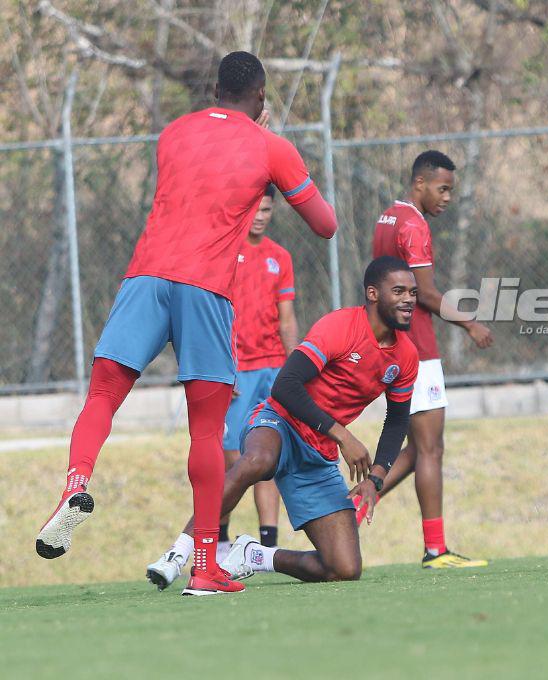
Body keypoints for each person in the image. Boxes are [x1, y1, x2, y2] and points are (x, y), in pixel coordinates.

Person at [36, 51, 338, 597]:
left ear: (215, 90)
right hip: (205, 289)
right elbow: (326, 224)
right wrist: (269, 146)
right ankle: (204, 565)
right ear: (261, 96)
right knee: (205, 431)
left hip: (145, 278)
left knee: (102, 395)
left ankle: (74, 484)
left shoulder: (173, 133)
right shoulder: (270, 145)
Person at [145, 257, 418, 592]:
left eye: (413, 293)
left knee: (343, 568)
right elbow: (285, 386)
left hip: (318, 453)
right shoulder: (340, 326)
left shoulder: (406, 356)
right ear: (373, 294)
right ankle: (180, 551)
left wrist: (375, 479)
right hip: (279, 421)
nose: (409, 299)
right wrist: (343, 435)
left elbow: (398, 420)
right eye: (399, 291)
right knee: (257, 460)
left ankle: (255, 556)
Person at [365, 150, 493, 568]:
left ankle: (356, 504)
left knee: (420, 447)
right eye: (442, 189)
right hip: (416, 349)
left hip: (392, 345)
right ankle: (435, 549)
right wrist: (470, 324)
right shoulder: (414, 225)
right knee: (431, 449)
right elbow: (427, 294)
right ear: (419, 183)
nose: (447, 198)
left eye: (450, 191)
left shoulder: (387, 217)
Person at [216, 185, 297, 560]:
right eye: (255, 209)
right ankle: (219, 542)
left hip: (273, 369)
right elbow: (214, 314)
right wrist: (222, 366)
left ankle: (267, 546)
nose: (261, 216)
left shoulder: (279, 257)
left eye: (267, 210)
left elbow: (287, 318)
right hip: (237, 372)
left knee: (268, 456)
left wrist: (294, 368)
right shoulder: (224, 253)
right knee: (231, 460)